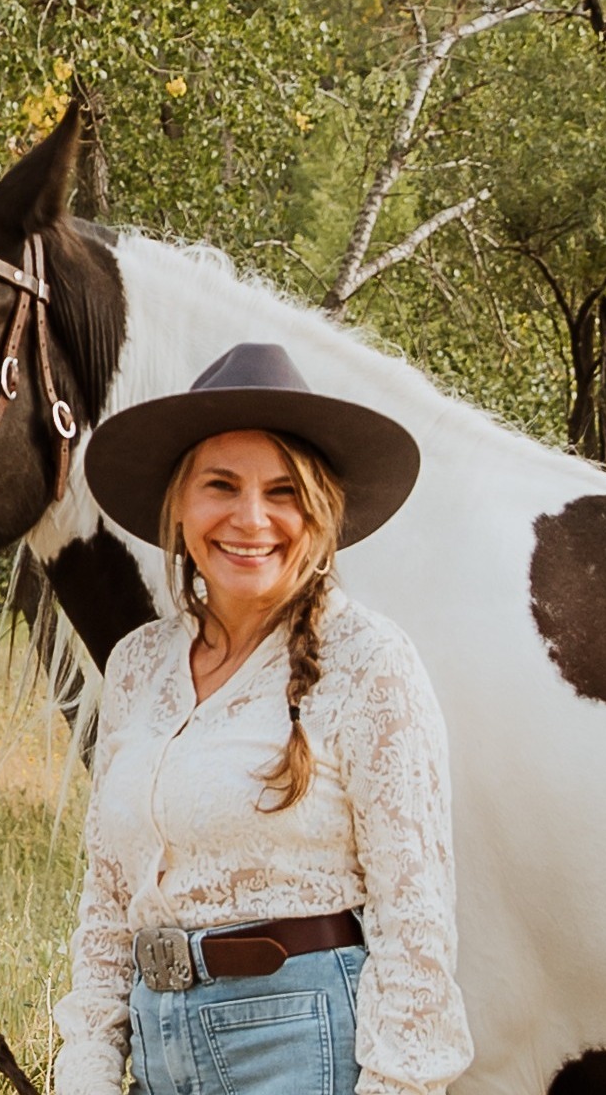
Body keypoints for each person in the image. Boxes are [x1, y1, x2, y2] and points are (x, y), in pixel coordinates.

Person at [54, 343, 472, 1095]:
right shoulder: (139, 665)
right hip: (157, 1050)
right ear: (180, 507)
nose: (252, 519)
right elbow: (110, 899)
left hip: (301, 1045)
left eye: (284, 492)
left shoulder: (370, 662)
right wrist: (84, 1065)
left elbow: (416, 926)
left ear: (319, 513)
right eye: (222, 486)